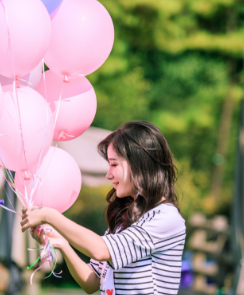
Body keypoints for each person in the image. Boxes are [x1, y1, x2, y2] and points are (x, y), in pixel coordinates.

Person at [21, 121, 186, 295]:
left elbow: (100, 250)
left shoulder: (166, 218)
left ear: (140, 164)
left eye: (114, 165)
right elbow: (92, 282)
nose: (108, 175)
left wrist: (50, 215)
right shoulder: (126, 222)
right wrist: (63, 244)